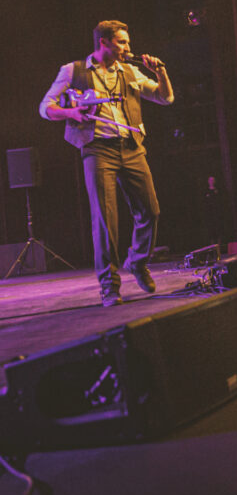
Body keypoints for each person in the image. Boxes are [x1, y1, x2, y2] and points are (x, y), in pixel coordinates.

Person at [39, 20, 174, 306]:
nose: (128, 47)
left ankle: (137, 262)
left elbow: (165, 98)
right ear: (104, 42)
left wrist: (160, 71)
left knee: (150, 210)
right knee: (104, 218)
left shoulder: (130, 71)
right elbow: (45, 107)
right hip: (98, 149)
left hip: (131, 147)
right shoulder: (72, 71)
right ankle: (109, 286)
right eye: (122, 42)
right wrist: (72, 114)